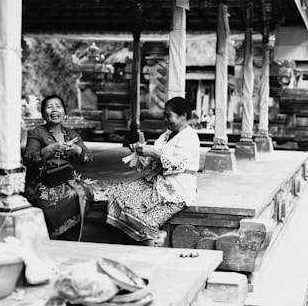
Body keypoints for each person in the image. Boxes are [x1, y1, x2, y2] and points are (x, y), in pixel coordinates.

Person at [106, 97, 200, 246]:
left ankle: (154, 235)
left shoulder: (189, 137)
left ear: (183, 116)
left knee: (134, 212)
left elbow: (177, 165)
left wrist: (153, 153)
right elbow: (152, 163)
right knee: (119, 196)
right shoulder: (166, 135)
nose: (165, 119)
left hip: (176, 188)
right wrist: (140, 154)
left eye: (169, 116)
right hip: (156, 182)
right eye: (164, 115)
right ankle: (152, 235)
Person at [23, 94, 93, 240]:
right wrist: (49, 150)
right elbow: (28, 159)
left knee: (84, 192)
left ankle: (72, 235)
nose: (54, 110)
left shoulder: (71, 133)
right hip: (43, 180)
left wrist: (77, 150)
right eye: (49, 107)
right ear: (43, 113)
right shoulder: (36, 133)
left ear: (64, 112)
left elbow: (88, 159)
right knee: (53, 199)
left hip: (68, 178)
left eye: (58, 106)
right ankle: (56, 235)